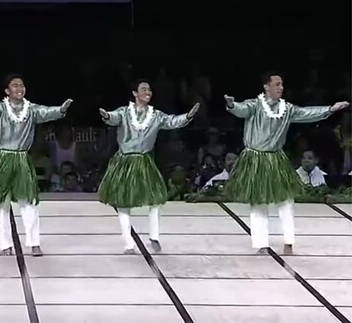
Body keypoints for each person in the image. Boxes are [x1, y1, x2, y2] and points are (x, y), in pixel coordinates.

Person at [224, 72, 348, 254]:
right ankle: (261, 244)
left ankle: (289, 241)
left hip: (276, 158)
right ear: (266, 87)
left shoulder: (287, 108)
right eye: (277, 84)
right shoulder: (255, 105)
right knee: (259, 202)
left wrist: (330, 109)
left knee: (286, 200)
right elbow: (240, 109)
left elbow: (307, 114)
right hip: (255, 159)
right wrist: (231, 104)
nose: (281, 87)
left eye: (282, 84)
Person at [0, 74, 72, 256]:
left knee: (28, 202)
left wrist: (61, 109)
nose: (19, 88)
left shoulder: (31, 109)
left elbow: (46, 112)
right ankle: (5, 244)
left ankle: (34, 242)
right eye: (15, 85)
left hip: (21, 159)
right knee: (1, 203)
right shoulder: (0, 108)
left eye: (22, 85)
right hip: (0, 158)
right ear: (7, 91)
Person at [98, 80, 199, 254]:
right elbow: (113, 118)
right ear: (135, 93)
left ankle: (154, 236)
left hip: (145, 163)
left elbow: (172, 121)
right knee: (123, 203)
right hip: (125, 163)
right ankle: (128, 243)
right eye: (144, 89)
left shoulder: (156, 115)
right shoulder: (124, 112)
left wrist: (188, 116)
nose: (148, 92)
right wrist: (107, 115)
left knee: (156, 200)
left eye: (150, 89)